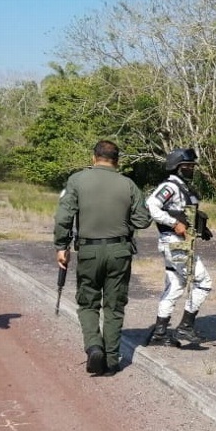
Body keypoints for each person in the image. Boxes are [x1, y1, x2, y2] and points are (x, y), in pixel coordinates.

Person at [53, 140, 152, 375]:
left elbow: (63, 217)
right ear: (117, 160)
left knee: (88, 303)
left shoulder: (77, 180)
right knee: (114, 306)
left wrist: (61, 246)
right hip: (120, 251)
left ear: (93, 157)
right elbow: (143, 220)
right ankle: (111, 360)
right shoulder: (128, 184)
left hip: (89, 251)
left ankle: (94, 346)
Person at [145, 147, 213, 345]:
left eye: (192, 165)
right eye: (188, 166)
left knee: (175, 284)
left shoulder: (183, 187)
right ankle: (185, 327)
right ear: (177, 167)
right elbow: (151, 205)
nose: (192, 168)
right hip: (175, 243)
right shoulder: (171, 187)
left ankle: (160, 333)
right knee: (204, 282)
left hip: (179, 243)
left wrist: (202, 228)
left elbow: (184, 213)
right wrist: (174, 224)